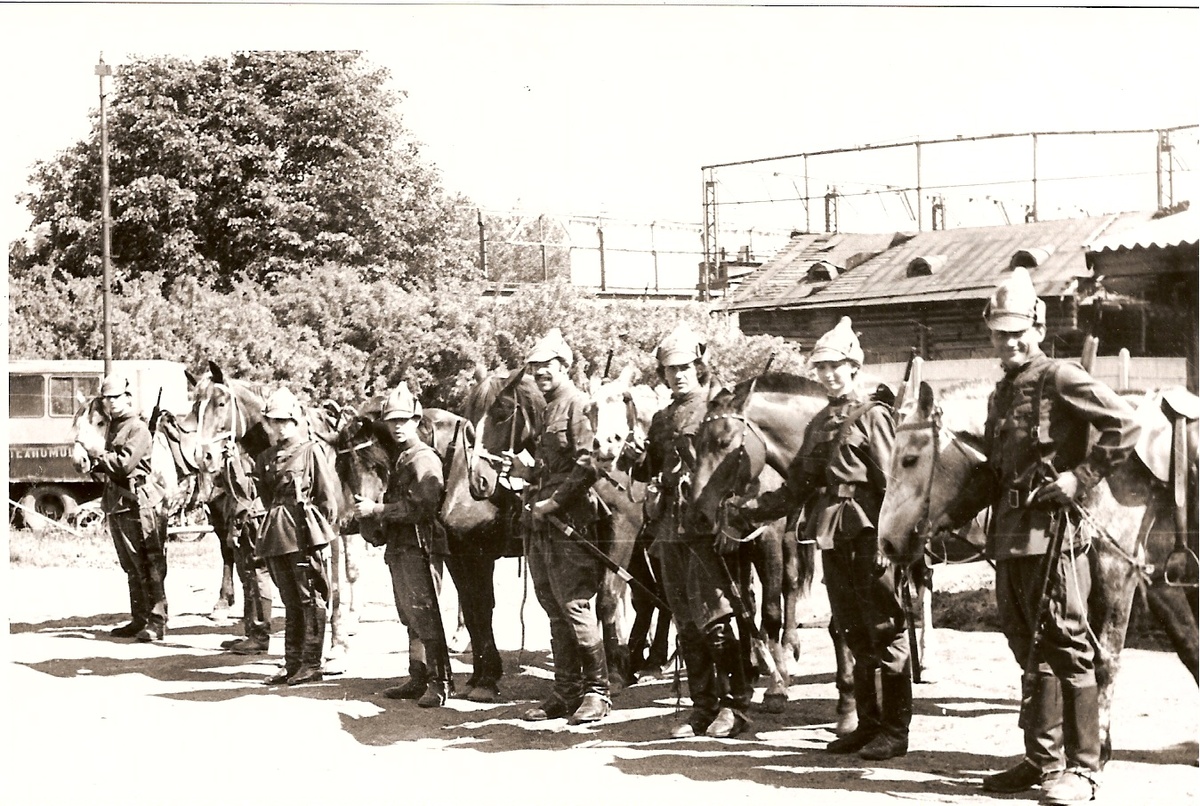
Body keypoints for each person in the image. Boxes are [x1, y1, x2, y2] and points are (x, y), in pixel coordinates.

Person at [932, 267, 1140, 805]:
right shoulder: (1002, 394)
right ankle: (1041, 760)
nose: (1010, 341)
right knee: (1029, 649)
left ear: (1038, 326)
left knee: (1068, 645)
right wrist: (951, 517)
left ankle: (1085, 768)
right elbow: (995, 475)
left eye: (1018, 329)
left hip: (1056, 538)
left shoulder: (1060, 376)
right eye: (1001, 332)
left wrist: (1080, 477)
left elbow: (1126, 424)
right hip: (1011, 541)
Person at [734, 316, 909, 760]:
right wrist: (751, 510)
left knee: (886, 630)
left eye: (837, 366)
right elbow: (797, 487)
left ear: (854, 366)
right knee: (854, 631)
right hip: (834, 535)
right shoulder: (819, 422)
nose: (829, 375)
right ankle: (867, 725)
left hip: (871, 536)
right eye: (822, 368)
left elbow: (894, 485)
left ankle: (895, 729)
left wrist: (890, 544)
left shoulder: (874, 416)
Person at [619, 325, 753, 738]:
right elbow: (651, 470)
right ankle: (702, 706)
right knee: (686, 623)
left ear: (698, 365)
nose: (677, 375)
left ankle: (734, 706)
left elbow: (740, 468)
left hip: (705, 528)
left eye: (684, 367)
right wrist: (636, 457)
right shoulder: (661, 418)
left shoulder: (720, 407)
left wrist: (728, 521)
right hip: (669, 530)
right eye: (669, 369)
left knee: (716, 621)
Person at [503, 328, 610, 724]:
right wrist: (525, 471)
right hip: (544, 524)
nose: (540, 372)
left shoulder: (578, 404)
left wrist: (553, 501)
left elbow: (589, 464)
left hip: (572, 522)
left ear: (564, 366)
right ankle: (565, 692)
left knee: (575, 605)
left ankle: (597, 693)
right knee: (552, 607)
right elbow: (552, 467)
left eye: (547, 365)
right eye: (535, 367)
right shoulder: (547, 408)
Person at [354, 383, 453, 708]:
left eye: (403, 421)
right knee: (409, 615)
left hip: (420, 546)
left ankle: (439, 684)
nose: (397, 427)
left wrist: (378, 510)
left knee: (425, 614)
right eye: (392, 421)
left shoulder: (423, 457)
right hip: (401, 546)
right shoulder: (402, 458)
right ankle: (418, 676)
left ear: (415, 420)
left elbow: (425, 505)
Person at [254, 386, 340, 686]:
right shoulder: (265, 457)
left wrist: (321, 539)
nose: (279, 427)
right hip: (277, 533)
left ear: (295, 420)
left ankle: (312, 663)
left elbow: (328, 498)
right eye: (273, 421)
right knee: (290, 600)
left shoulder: (311, 451)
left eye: (283, 420)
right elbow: (267, 497)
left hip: (305, 533)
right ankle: (292, 663)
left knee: (310, 597)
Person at [89, 373, 170, 642]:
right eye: (106, 398)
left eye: (115, 397)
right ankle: (140, 618)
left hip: (140, 503)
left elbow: (123, 465)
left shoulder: (138, 428)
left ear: (127, 397)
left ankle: (157, 622)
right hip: (118, 502)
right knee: (131, 564)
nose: (110, 402)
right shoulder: (113, 426)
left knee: (150, 562)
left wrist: (98, 454)